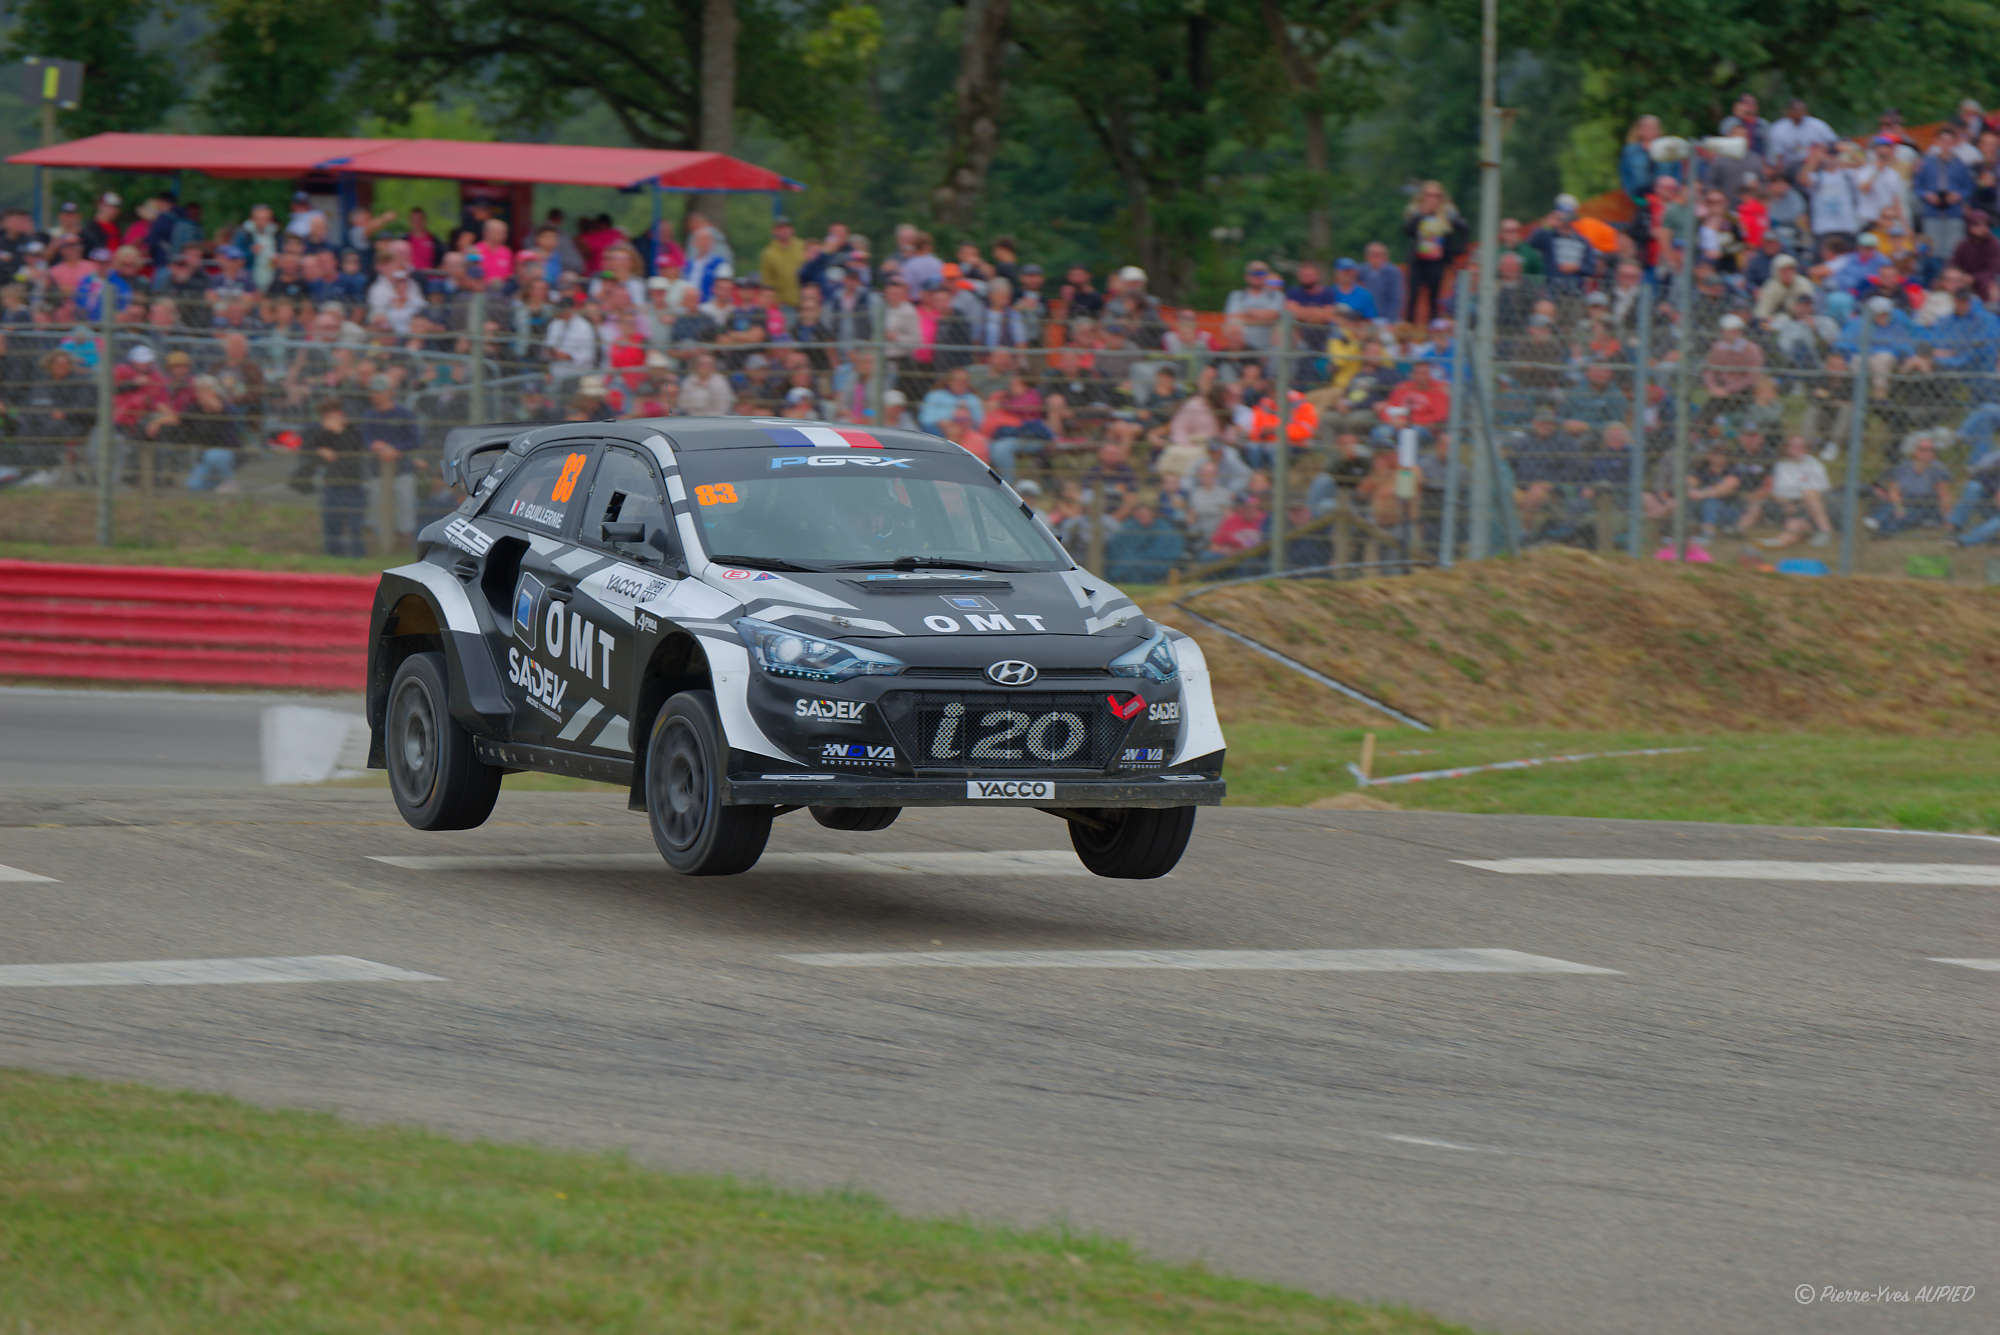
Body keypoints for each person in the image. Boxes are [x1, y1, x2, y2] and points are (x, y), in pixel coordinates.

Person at [295, 398, 369, 557]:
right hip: (332, 484)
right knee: (331, 524)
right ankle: (334, 556)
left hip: (354, 484)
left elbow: (352, 450)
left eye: (335, 414)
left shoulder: (354, 432)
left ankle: (358, 556)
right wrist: (319, 449)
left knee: (355, 525)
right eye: (326, 417)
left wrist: (339, 432)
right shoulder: (321, 433)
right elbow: (306, 448)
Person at [1402, 180, 1466, 322]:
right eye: (1428, 195)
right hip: (1417, 260)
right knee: (1413, 295)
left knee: (1434, 298)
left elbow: (1464, 229)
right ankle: (1409, 329)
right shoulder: (1415, 210)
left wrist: (1456, 251)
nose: (1432, 199)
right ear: (1422, 196)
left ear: (1441, 198)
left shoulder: (1448, 213)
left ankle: (1433, 329)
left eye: (1436, 196)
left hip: (1437, 261)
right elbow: (1408, 231)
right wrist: (1422, 215)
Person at [1865, 435, 1954, 534]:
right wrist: (1898, 507)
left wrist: (1948, 520)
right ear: (1915, 451)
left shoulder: (1938, 469)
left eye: (1930, 450)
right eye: (1922, 449)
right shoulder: (1904, 467)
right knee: (1891, 507)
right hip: (1904, 499)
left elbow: (1944, 495)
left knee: (1905, 517)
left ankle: (1880, 530)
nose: (1927, 453)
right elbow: (1894, 491)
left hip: (1924, 504)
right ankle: (1876, 521)